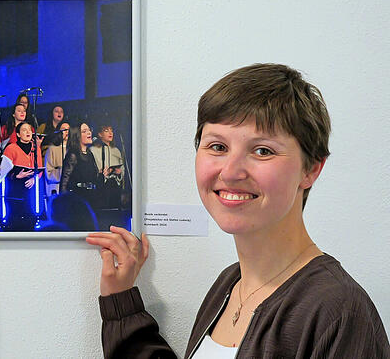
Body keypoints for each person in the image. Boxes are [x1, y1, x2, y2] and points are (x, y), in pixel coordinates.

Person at [86, 64, 390, 358]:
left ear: (310, 169)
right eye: (217, 147)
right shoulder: (229, 284)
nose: (230, 172)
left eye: (263, 150)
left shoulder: (338, 312)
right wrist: (120, 301)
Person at [2, 121, 44, 230]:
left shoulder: (36, 148)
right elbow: (4, 171)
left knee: (30, 217)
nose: (28, 132)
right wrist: (16, 176)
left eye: (29, 130)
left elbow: (39, 168)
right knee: (14, 218)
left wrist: (35, 179)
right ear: (18, 134)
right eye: (24, 130)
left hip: (30, 186)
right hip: (15, 187)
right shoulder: (11, 148)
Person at [60, 123, 102, 209]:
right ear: (77, 136)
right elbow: (64, 181)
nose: (89, 133)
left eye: (89, 130)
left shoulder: (90, 154)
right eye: (84, 131)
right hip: (78, 198)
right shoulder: (73, 155)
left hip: (92, 197)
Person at [89, 125, 124, 209]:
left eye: (111, 130)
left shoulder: (116, 150)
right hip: (101, 188)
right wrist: (101, 172)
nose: (110, 133)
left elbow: (122, 169)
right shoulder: (93, 149)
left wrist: (119, 172)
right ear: (100, 134)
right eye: (106, 130)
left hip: (115, 187)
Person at [44, 121, 71, 195]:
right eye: (64, 129)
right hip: (56, 187)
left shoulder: (73, 149)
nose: (66, 132)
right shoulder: (52, 149)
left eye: (68, 129)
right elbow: (48, 172)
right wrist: (62, 171)